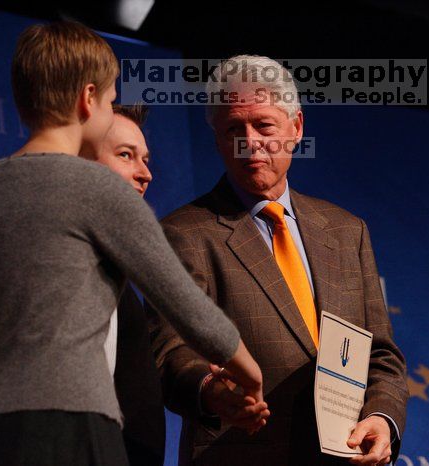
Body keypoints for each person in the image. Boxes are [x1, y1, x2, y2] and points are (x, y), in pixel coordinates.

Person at [0, 22, 264, 466]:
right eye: (111, 101)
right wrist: (251, 374)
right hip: (76, 431)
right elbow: (183, 301)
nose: (111, 111)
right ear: (87, 99)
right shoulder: (97, 188)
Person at [151, 55, 408, 466]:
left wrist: (382, 416)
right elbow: (170, 352)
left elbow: (380, 353)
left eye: (264, 125)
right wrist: (212, 391)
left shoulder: (346, 230)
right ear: (217, 139)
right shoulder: (183, 233)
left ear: (297, 128)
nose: (249, 142)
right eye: (234, 128)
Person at [80, 104, 163, 465]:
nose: (144, 174)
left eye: (145, 159)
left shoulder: (115, 269)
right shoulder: (70, 263)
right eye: (126, 155)